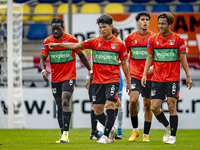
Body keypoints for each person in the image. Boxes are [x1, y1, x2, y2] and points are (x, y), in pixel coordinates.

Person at [46, 14, 132, 144]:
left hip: (113, 80)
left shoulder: (119, 44)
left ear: (111, 27)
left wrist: (128, 82)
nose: (102, 30)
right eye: (100, 27)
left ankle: (105, 136)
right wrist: (58, 44)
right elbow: (76, 46)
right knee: (97, 111)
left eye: (105, 27)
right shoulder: (94, 42)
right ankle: (112, 128)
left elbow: (125, 64)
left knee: (110, 105)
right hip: (97, 81)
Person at [141, 12, 192, 144]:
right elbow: (149, 57)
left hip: (172, 78)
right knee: (154, 107)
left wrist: (188, 76)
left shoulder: (178, 39)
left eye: (163, 23)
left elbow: (183, 58)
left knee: (171, 105)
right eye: (159, 23)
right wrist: (144, 74)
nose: (160, 26)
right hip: (157, 79)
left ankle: (173, 137)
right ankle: (168, 127)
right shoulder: (153, 39)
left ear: (170, 24)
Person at [40, 18, 92, 143]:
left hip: (69, 76)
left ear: (63, 28)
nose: (56, 30)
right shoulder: (47, 41)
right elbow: (42, 59)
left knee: (64, 102)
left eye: (58, 28)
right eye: (54, 28)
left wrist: (90, 70)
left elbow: (82, 55)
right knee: (59, 106)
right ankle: (63, 134)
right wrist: (43, 71)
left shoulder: (71, 39)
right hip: (55, 78)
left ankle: (65, 135)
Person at [124, 11, 154, 142]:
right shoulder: (130, 38)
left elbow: (158, 56)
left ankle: (146, 134)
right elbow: (124, 57)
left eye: (147, 19)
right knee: (133, 101)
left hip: (150, 76)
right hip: (135, 75)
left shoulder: (154, 37)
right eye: (142, 19)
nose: (145, 21)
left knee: (148, 104)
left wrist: (154, 67)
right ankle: (135, 131)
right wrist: (126, 76)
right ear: (138, 22)